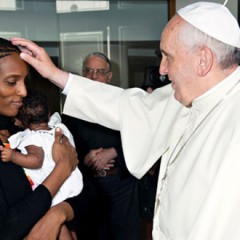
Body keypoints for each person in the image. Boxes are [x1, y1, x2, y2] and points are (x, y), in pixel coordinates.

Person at [10, 1, 240, 239]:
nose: (162, 69)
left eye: (168, 57)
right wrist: (55, 74)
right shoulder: (188, 95)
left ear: (203, 60)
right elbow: (127, 106)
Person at [0, 36, 84, 240]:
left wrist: (58, 215)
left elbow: (90, 195)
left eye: (24, 81)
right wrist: (62, 168)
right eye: (12, 82)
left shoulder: (25, 129)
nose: (23, 91)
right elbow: (6, 228)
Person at [62, 52, 140, 240]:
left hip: (121, 185)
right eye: (88, 71)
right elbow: (66, 144)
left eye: (100, 71)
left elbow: (141, 137)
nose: (94, 76)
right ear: (82, 73)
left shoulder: (126, 103)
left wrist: (113, 152)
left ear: (109, 76)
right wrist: (84, 157)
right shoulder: (71, 108)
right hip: (89, 185)